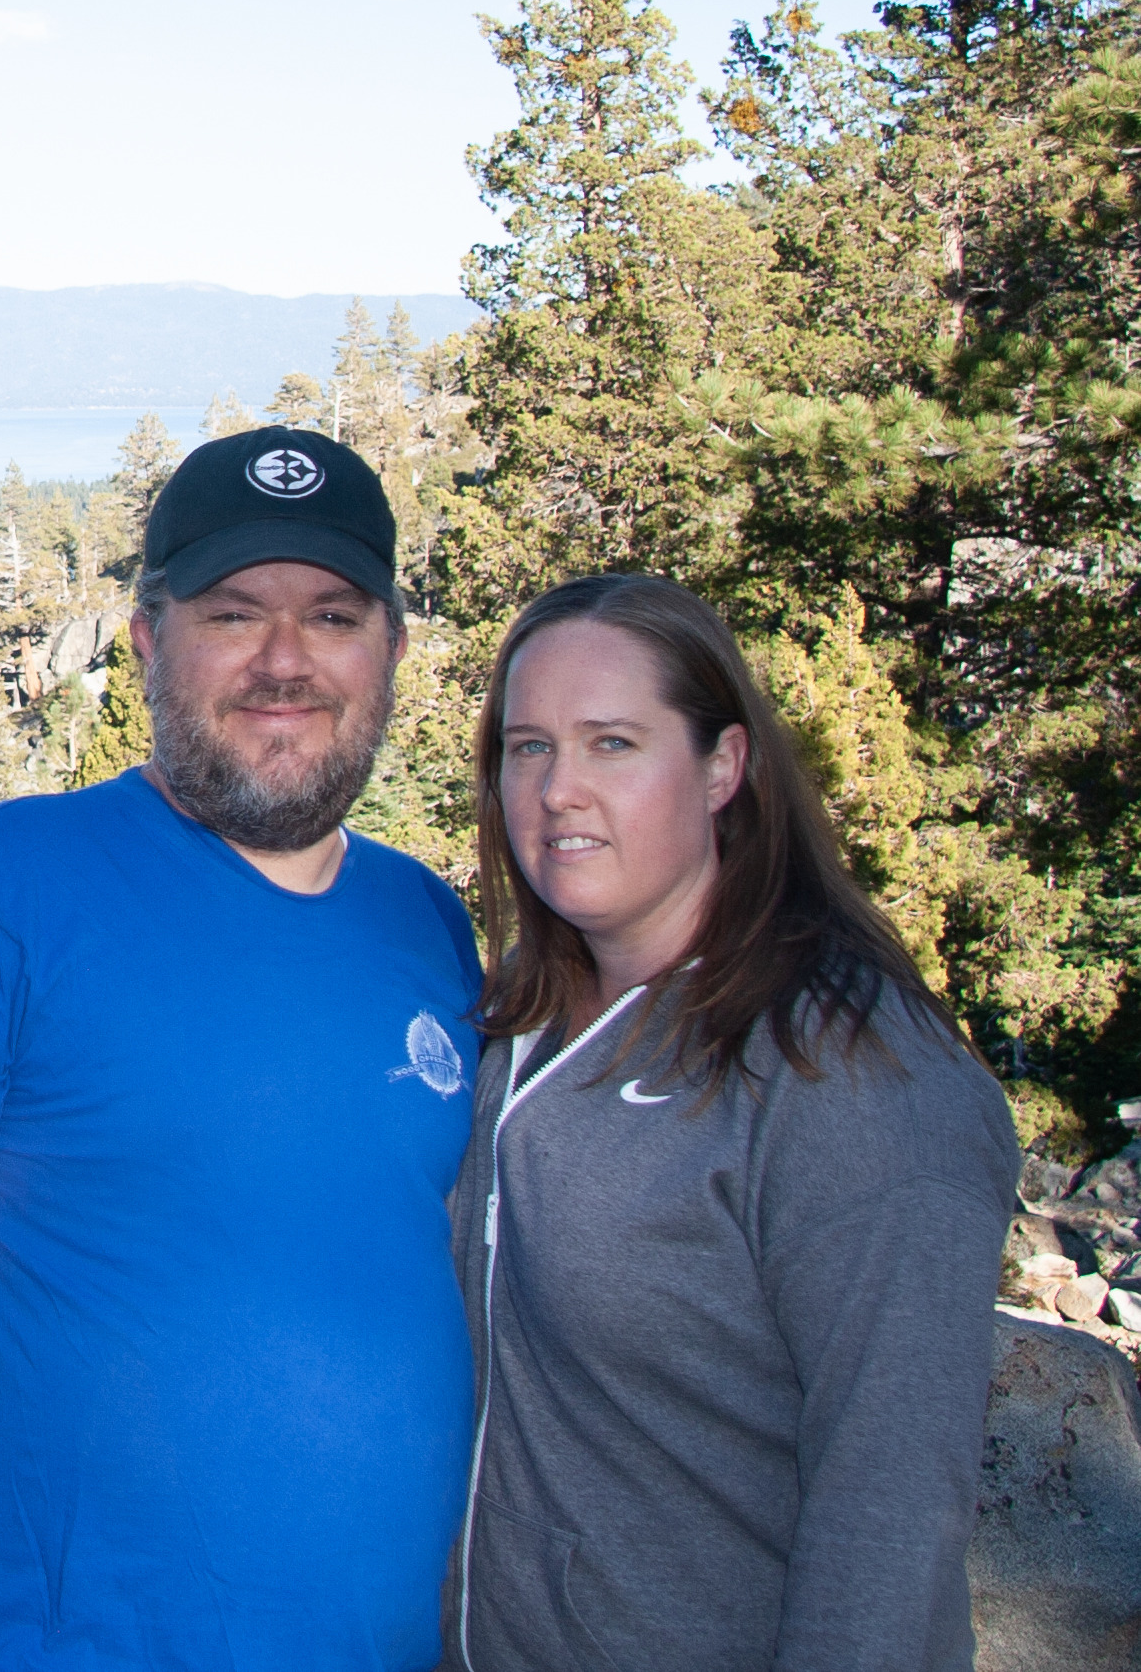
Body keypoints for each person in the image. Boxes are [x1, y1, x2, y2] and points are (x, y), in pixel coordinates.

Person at [0, 426, 483, 1672]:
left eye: (331, 615)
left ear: (391, 652)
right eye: (232, 613)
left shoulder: (424, 921)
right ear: (149, 638)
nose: (284, 661)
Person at [446, 574, 1018, 1672]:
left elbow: (892, 1512)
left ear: (723, 766)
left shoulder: (850, 1076)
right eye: (527, 747)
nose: (559, 790)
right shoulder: (519, 1015)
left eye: (613, 743)